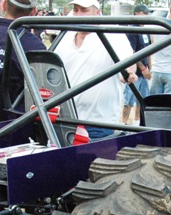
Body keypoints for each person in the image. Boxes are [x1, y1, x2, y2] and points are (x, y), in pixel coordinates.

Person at [54, 0, 136, 139]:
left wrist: (128, 73)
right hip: (65, 121)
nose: (79, 15)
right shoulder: (64, 36)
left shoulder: (113, 34)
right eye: (75, 10)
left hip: (99, 123)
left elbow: (128, 61)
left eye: (84, 10)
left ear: (98, 12)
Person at [121, 4, 152, 126]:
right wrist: (143, 68)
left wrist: (149, 68)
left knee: (142, 101)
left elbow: (148, 50)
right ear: (137, 14)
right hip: (136, 72)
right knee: (129, 100)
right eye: (144, 13)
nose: (146, 16)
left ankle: (136, 123)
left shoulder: (145, 30)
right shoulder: (133, 30)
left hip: (144, 73)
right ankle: (123, 125)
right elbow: (132, 53)